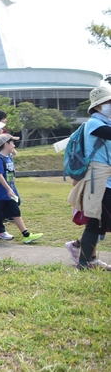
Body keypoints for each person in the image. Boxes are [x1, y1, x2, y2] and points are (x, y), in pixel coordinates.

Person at [67, 84, 111, 269]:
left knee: (98, 222)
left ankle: (83, 254)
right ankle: (85, 261)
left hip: (105, 178)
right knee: (97, 221)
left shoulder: (105, 122)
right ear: (99, 105)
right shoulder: (94, 123)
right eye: (109, 101)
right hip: (98, 179)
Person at [0, 134, 42, 244]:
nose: (14, 145)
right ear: (6, 144)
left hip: (8, 195)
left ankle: (26, 234)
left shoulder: (8, 158)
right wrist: (8, 189)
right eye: (12, 143)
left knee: (16, 213)